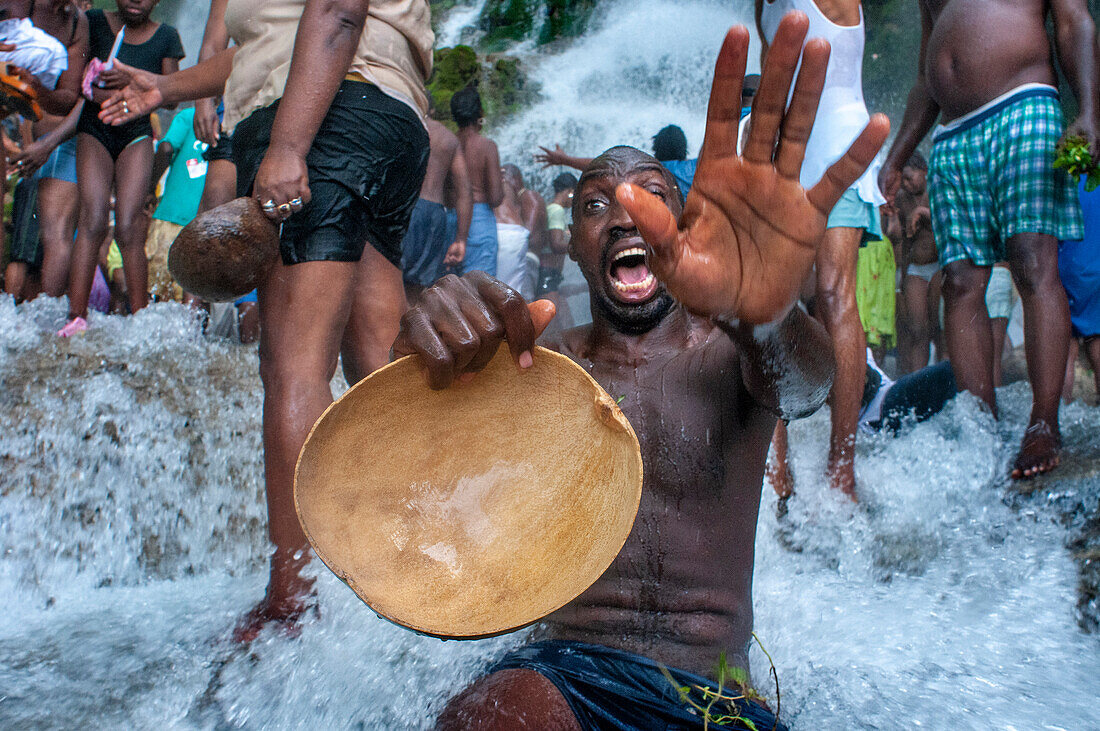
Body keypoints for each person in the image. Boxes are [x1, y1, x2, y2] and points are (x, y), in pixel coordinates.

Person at [401, 16, 889, 728]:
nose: (627, 214)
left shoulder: (732, 351)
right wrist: (422, 342)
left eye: (652, 196)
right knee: (486, 715)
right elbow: (408, 486)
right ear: (569, 245)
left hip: (713, 686)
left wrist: (767, 314)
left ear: (683, 229)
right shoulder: (541, 362)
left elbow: (807, 388)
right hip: (564, 669)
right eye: (596, 203)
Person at [98, 0, 433, 641]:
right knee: (375, 359)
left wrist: (288, 145)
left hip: (318, 114)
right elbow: (263, 41)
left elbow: (337, 11)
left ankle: (293, 603)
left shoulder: (302, 121)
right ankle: (411, 563)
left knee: (291, 363)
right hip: (385, 116)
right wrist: (164, 87)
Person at [879, 0, 1098, 478]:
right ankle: (980, 427)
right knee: (958, 281)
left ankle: (1043, 423)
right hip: (952, 135)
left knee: (1033, 261)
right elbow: (924, 79)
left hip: (1023, 104)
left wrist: (1088, 111)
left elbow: (1073, 20)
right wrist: (896, 155)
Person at [757, 0, 884, 500]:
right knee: (769, 303)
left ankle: (842, 464)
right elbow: (773, 79)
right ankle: (776, 462)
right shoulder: (761, 5)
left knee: (834, 291)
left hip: (837, 142)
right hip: (785, 156)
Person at [59, 0, 183, 336]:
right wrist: (93, 80)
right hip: (95, 129)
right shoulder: (93, 22)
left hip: (136, 134)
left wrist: (136, 83)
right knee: (94, 218)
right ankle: (76, 316)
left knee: (129, 225)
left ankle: (139, 320)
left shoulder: (166, 36)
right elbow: (73, 78)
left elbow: (171, 97)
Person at [6, 0, 88, 299]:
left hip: (61, 142)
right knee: (27, 245)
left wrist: (34, 88)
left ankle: (44, 318)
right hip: (30, 139)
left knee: (55, 235)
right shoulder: (17, 5)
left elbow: (73, 96)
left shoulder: (79, 22)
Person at [400, 110, 471, 303]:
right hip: (435, 215)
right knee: (419, 289)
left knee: (390, 279)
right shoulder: (448, 137)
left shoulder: (404, 123)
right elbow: (464, 191)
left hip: (405, 206)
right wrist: (461, 239)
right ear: (432, 110)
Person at [144, 105, 208, 301]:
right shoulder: (229, 121)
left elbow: (165, 147)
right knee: (194, 302)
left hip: (171, 216)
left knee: (158, 295)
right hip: (204, 225)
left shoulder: (189, 116)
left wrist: (150, 187)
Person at [536, 123, 699, 198]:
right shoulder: (698, 168)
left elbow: (606, 166)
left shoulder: (645, 171)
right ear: (684, 149)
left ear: (655, 150)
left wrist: (565, 160)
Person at [893, 152, 941, 374]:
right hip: (915, 268)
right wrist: (902, 275)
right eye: (903, 179)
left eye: (910, 178)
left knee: (939, 331)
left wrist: (925, 214)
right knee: (916, 331)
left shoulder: (939, 189)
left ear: (925, 171)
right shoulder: (902, 198)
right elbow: (903, 239)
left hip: (939, 266)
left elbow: (949, 225)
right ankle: (916, 384)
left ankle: (943, 384)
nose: (906, 184)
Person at [449, 85, 502, 276]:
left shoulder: (448, 143)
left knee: (449, 289)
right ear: (479, 111)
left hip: (451, 218)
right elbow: (496, 197)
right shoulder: (487, 146)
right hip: (479, 218)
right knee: (479, 290)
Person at [1060, 178, 1100, 404]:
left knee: (1063, 344)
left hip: (1064, 265)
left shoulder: (1065, 174)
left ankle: (1056, 417)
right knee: (1097, 338)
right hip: (1097, 266)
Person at [539, 171, 576, 331]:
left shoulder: (551, 208)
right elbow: (556, 244)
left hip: (549, 274)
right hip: (548, 274)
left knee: (565, 322)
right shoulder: (557, 210)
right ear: (569, 191)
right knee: (555, 326)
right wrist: (579, 246)